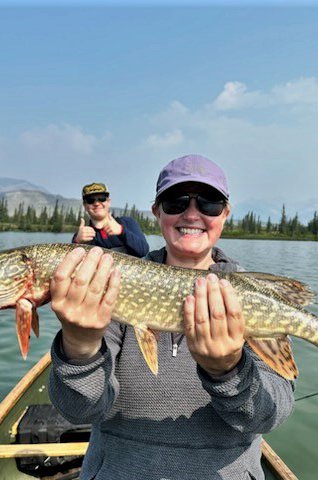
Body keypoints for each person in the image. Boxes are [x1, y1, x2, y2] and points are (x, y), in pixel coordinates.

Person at [49, 154, 294, 480]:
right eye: (176, 201)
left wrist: (229, 372)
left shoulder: (248, 293)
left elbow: (269, 415)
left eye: (209, 203)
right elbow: (80, 409)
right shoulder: (113, 284)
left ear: (225, 214)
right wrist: (79, 345)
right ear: (156, 212)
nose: (192, 213)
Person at [73, 181, 149, 257]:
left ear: (109, 202)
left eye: (101, 198)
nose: (96, 203)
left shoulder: (128, 223)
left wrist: (122, 231)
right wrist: (77, 242)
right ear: (85, 205)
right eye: (90, 200)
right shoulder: (80, 235)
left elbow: (144, 251)